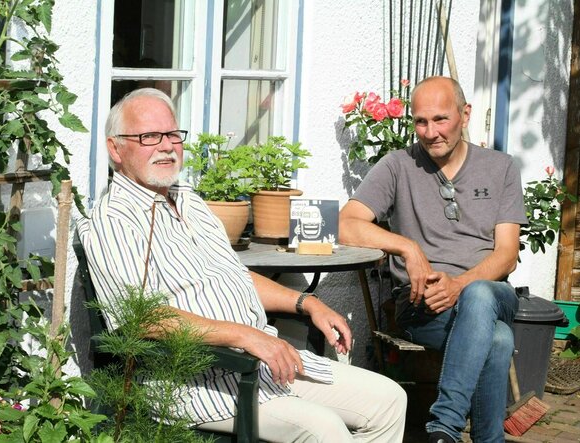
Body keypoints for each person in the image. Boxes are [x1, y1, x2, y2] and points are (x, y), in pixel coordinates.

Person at [79, 87, 407, 442]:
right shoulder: (113, 221)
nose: (166, 146)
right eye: (149, 136)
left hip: (265, 366)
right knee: (323, 429)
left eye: (173, 134)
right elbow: (144, 319)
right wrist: (246, 337)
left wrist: (306, 302)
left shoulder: (188, 200)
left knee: (390, 400)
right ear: (115, 148)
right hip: (195, 383)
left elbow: (235, 277)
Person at [339, 76, 528, 443]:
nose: (430, 132)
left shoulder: (501, 167)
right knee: (499, 340)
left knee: (479, 296)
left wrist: (460, 285)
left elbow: (506, 255)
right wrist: (409, 249)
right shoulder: (397, 166)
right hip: (423, 305)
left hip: (492, 296)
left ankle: (445, 424)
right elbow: (348, 225)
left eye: (441, 119)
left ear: (465, 114)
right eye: (420, 121)